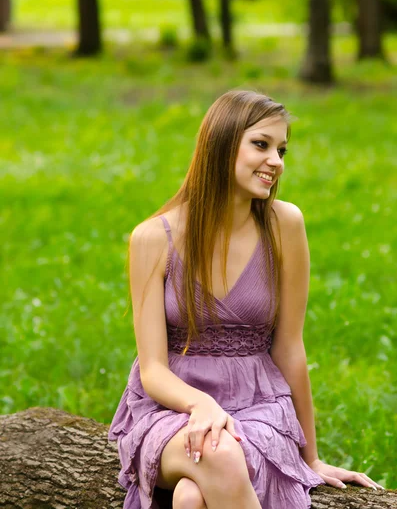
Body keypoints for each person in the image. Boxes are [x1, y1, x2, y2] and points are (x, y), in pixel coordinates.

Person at [108, 90, 383, 509]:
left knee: (189, 499)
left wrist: (312, 458)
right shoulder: (153, 238)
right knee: (217, 453)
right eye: (261, 144)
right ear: (220, 144)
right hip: (171, 410)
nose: (276, 161)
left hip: (259, 409)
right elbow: (153, 370)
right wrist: (202, 404)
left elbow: (290, 347)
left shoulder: (284, 225)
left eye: (281, 149)